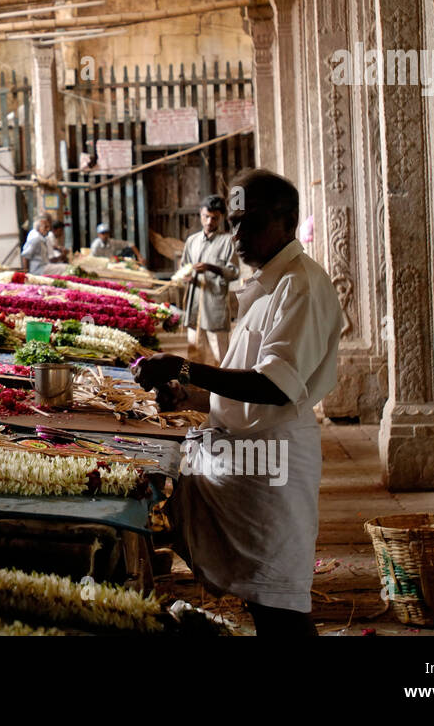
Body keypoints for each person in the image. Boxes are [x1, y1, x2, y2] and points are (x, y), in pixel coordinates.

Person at [131, 169, 341, 636]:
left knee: (280, 607)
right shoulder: (268, 281)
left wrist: (183, 368)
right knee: (260, 598)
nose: (239, 235)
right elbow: (242, 379)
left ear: (288, 223)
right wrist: (188, 393)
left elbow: (273, 386)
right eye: (236, 222)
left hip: (272, 464)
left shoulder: (299, 286)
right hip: (245, 459)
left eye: (253, 223)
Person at [179, 195, 240, 366]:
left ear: (221, 218)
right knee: (194, 352)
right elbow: (184, 267)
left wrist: (210, 267)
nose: (209, 221)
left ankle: (224, 390)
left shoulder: (228, 241)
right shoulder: (192, 241)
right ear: (200, 214)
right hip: (194, 304)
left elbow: (234, 272)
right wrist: (186, 276)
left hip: (215, 306)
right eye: (206, 216)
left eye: (214, 218)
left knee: (221, 354)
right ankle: (197, 389)